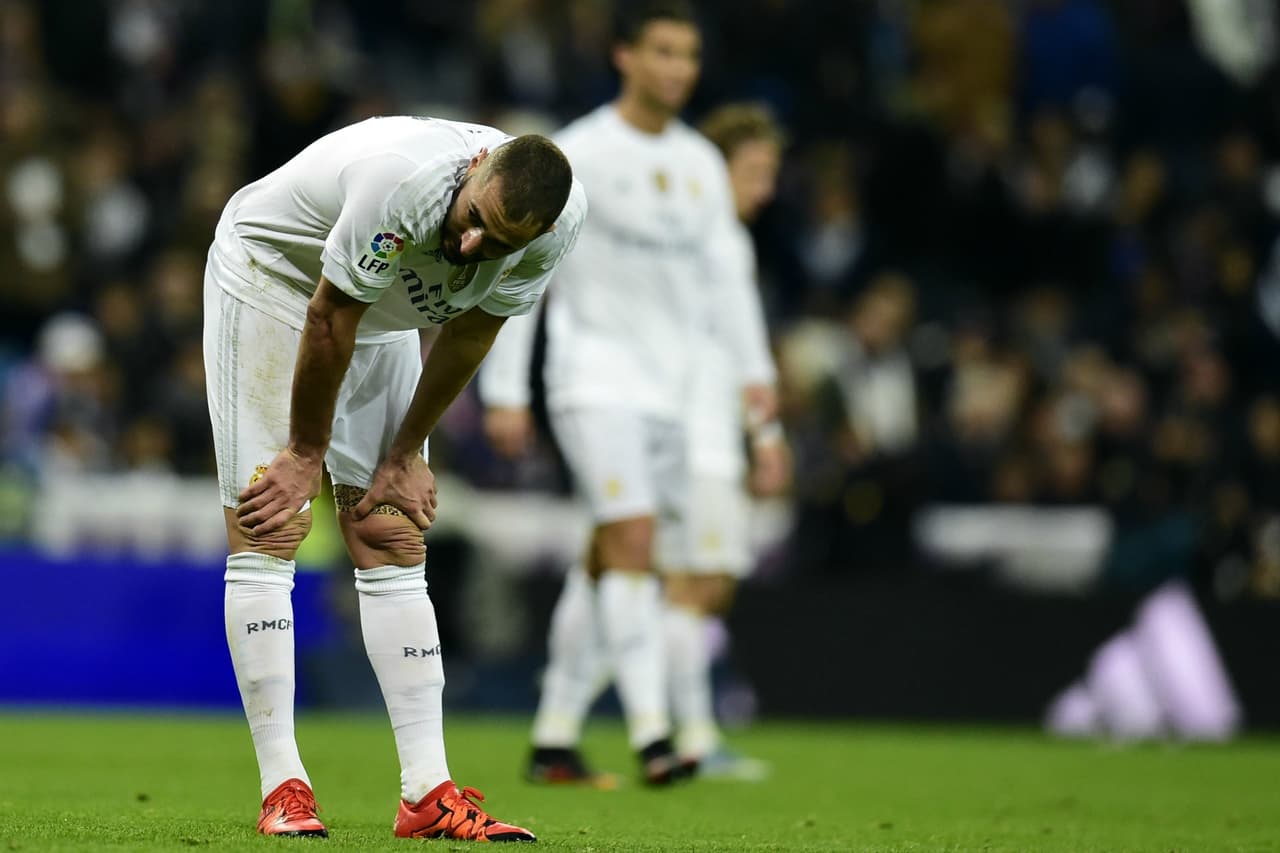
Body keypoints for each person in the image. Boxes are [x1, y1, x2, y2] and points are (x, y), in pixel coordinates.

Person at [203, 114, 586, 840]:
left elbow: (472, 330)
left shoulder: (554, 230)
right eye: (477, 221)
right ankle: (283, 785)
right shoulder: (401, 181)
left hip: (378, 312)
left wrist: (407, 450)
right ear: (477, 167)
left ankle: (427, 792)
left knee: (391, 527)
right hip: (275, 279)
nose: (476, 246)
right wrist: (305, 452)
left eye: (502, 243)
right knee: (271, 521)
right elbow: (328, 317)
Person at [479, 2, 781, 785]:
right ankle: (654, 734)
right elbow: (523, 277)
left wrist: (757, 381)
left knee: (605, 556)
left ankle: (553, 737)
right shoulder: (578, 154)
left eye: (689, 54)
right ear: (625, 55)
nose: (679, 68)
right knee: (635, 542)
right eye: (664, 51)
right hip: (592, 379)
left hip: (676, 394)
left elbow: (729, 279)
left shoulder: (699, 166)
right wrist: (506, 389)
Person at [659, 103, 790, 778]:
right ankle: (690, 738)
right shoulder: (709, 239)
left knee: (686, 585)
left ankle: (573, 713)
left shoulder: (711, 238)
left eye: (771, 173)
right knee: (694, 584)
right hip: (693, 435)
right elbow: (741, 351)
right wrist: (764, 434)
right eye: (755, 170)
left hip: (699, 431)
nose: (765, 187)